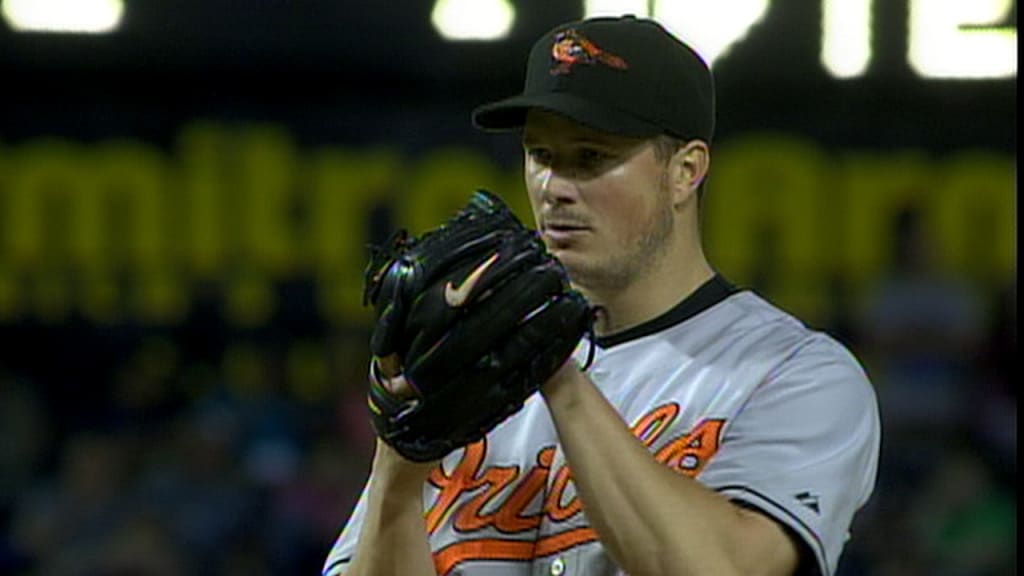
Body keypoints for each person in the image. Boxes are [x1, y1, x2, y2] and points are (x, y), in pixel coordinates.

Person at [324, 15, 880, 576]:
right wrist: (398, 461)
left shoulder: (794, 373)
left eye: (590, 157)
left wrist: (558, 375)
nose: (554, 188)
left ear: (686, 171)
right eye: (540, 154)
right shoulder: (462, 368)